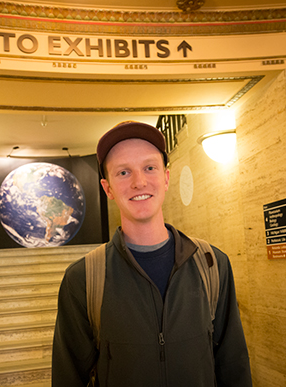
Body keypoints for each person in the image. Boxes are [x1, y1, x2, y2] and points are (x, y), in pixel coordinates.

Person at [52, 121, 252, 386]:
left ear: (166, 178)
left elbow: (233, 366)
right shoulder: (83, 280)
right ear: (107, 188)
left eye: (149, 168)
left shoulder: (212, 264)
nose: (140, 182)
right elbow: (68, 378)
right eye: (123, 172)